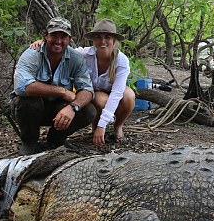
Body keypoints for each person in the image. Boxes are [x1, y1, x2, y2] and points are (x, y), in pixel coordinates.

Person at [31, 18, 135, 146]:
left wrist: (103, 125)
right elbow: (62, 47)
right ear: (93, 40)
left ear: (114, 40)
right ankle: (95, 127)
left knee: (129, 95)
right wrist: (44, 43)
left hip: (112, 91)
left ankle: (117, 126)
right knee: (100, 100)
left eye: (107, 37)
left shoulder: (121, 60)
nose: (102, 41)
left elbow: (117, 93)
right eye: (98, 37)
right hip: (94, 93)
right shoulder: (84, 54)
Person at [13, 17, 96, 155]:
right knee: (27, 101)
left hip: (58, 109)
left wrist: (72, 107)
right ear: (45, 35)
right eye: (54, 36)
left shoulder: (76, 58)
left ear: (70, 39)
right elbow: (22, 87)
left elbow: (87, 90)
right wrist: (62, 91)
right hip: (31, 110)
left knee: (88, 110)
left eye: (63, 37)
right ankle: (29, 142)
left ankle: (56, 140)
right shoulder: (32, 54)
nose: (58, 41)